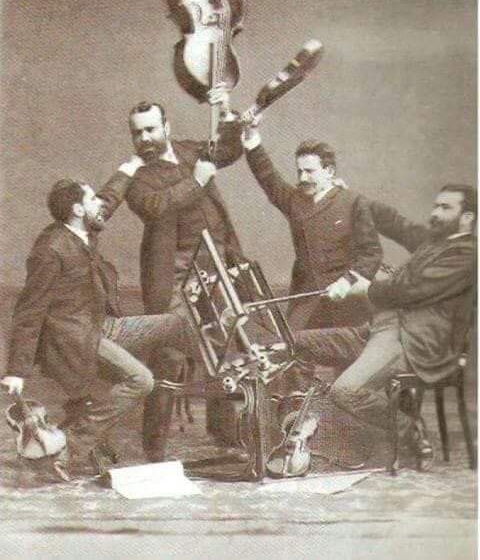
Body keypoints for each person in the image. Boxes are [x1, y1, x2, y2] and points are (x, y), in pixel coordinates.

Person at [1, 172, 191, 478]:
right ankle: (71, 446)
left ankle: (201, 385)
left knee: (175, 323)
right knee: (141, 380)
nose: (99, 204)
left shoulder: (81, 232)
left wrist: (130, 168)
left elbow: (107, 200)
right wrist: (16, 370)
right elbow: (29, 310)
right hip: (75, 340)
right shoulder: (51, 249)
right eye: (91, 200)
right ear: (77, 209)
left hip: (101, 326)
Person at [290, 184, 476, 469]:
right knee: (295, 341)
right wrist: (351, 197)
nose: (435, 213)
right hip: (382, 329)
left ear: (467, 218)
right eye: (435, 206)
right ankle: (291, 429)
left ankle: (408, 428)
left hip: (415, 342)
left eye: (445, 208)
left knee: (345, 391)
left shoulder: (466, 256)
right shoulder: (436, 242)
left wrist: (365, 287)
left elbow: (410, 290)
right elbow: (397, 225)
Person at [241, 128, 383, 331]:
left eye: (310, 171)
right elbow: (268, 178)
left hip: (347, 300)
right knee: (293, 349)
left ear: (330, 171)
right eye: (300, 171)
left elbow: (372, 253)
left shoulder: (353, 203)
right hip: (307, 300)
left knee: (350, 350)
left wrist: (347, 281)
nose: (303, 178)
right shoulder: (295, 201)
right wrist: (251, 140)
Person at [119, 87, 244, 316]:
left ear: (166, 128)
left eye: (150, 129)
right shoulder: (135, 176)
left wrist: (225, 110)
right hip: (176, 271)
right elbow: (153, 207)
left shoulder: (189, 150)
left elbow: (229, 150)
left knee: (226, 330)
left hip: (217, 257)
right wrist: (196, 182)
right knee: (180, 337)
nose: (144, 138)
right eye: (137, 132)